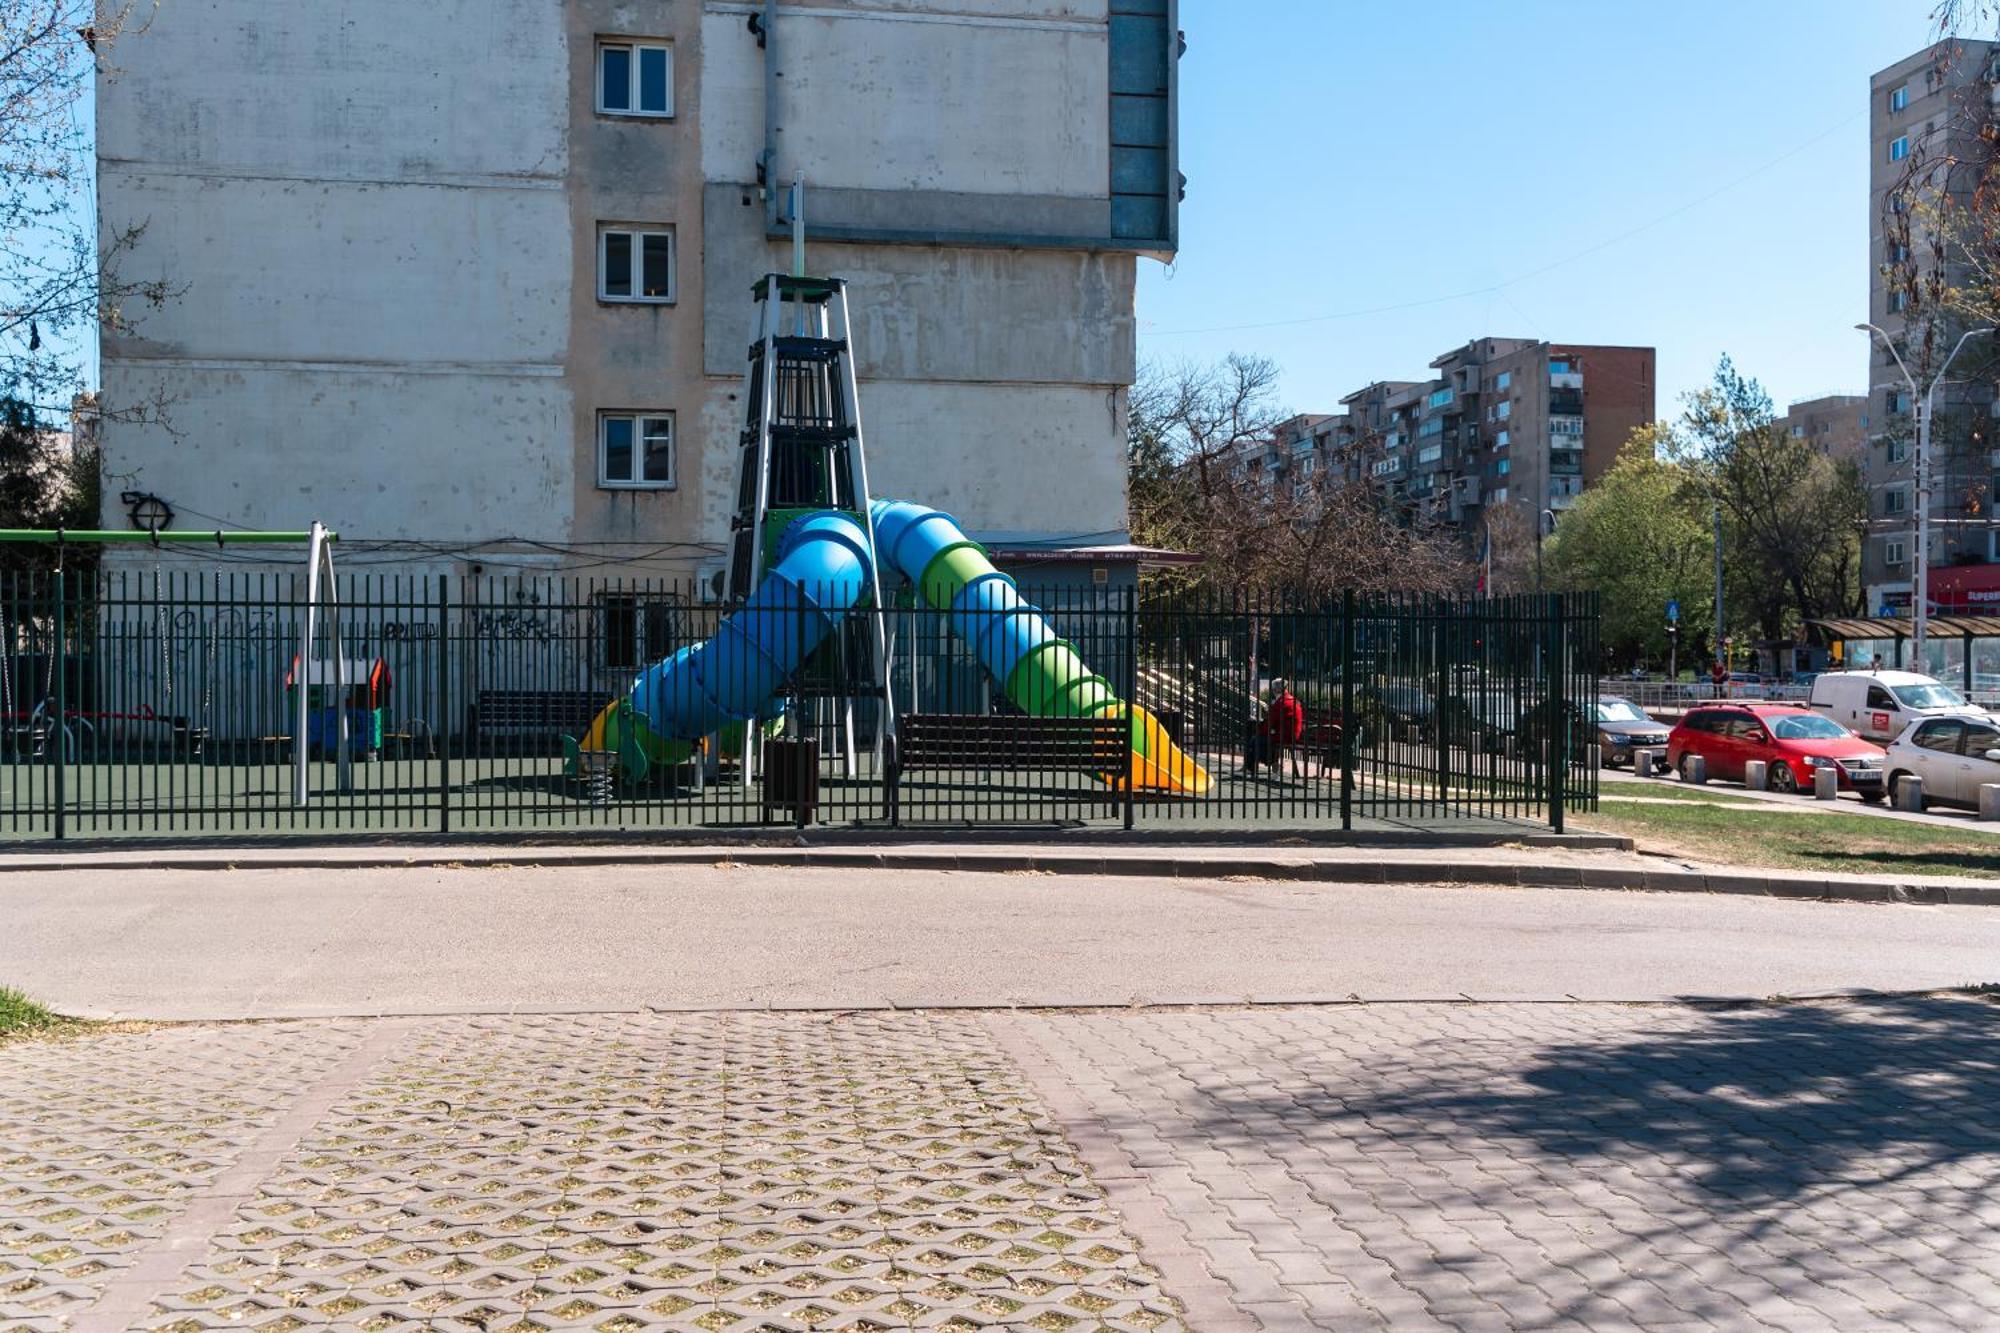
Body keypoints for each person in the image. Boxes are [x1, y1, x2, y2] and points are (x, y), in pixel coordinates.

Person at [1258, 678, 1306, 777]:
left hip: (1284, 735)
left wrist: (1262, 730)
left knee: (1258, 740)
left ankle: (1270, 766)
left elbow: (1271, 722)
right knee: (1261, 740)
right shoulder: (1293, 700)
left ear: (1275, 690)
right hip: (1294, 734)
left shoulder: (1281, 702)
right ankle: (1271, 765)